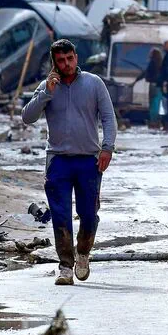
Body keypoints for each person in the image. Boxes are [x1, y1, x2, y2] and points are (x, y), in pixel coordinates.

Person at [21, 40, 117, 286]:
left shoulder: (94, 83)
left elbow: (108, 117)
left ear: (76, 57)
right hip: (58, 161)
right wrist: (46, 93)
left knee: (88, 213)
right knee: (60, 214)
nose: (66, 64)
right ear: (54, 63)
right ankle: (65, 266)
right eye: (61, 61)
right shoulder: (47, 87)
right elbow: (27, 117)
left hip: (89, 160)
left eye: (70, 58)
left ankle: (82, 253)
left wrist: (107, 148)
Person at [135, 48, 164, 130]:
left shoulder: (152, 63)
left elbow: (146, 72)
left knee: (153, 103)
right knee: (158, 103)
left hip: (153, 85)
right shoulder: (161, 63)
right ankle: (158, 121)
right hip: (159, 86)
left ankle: (153, 121)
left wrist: (137, 80)